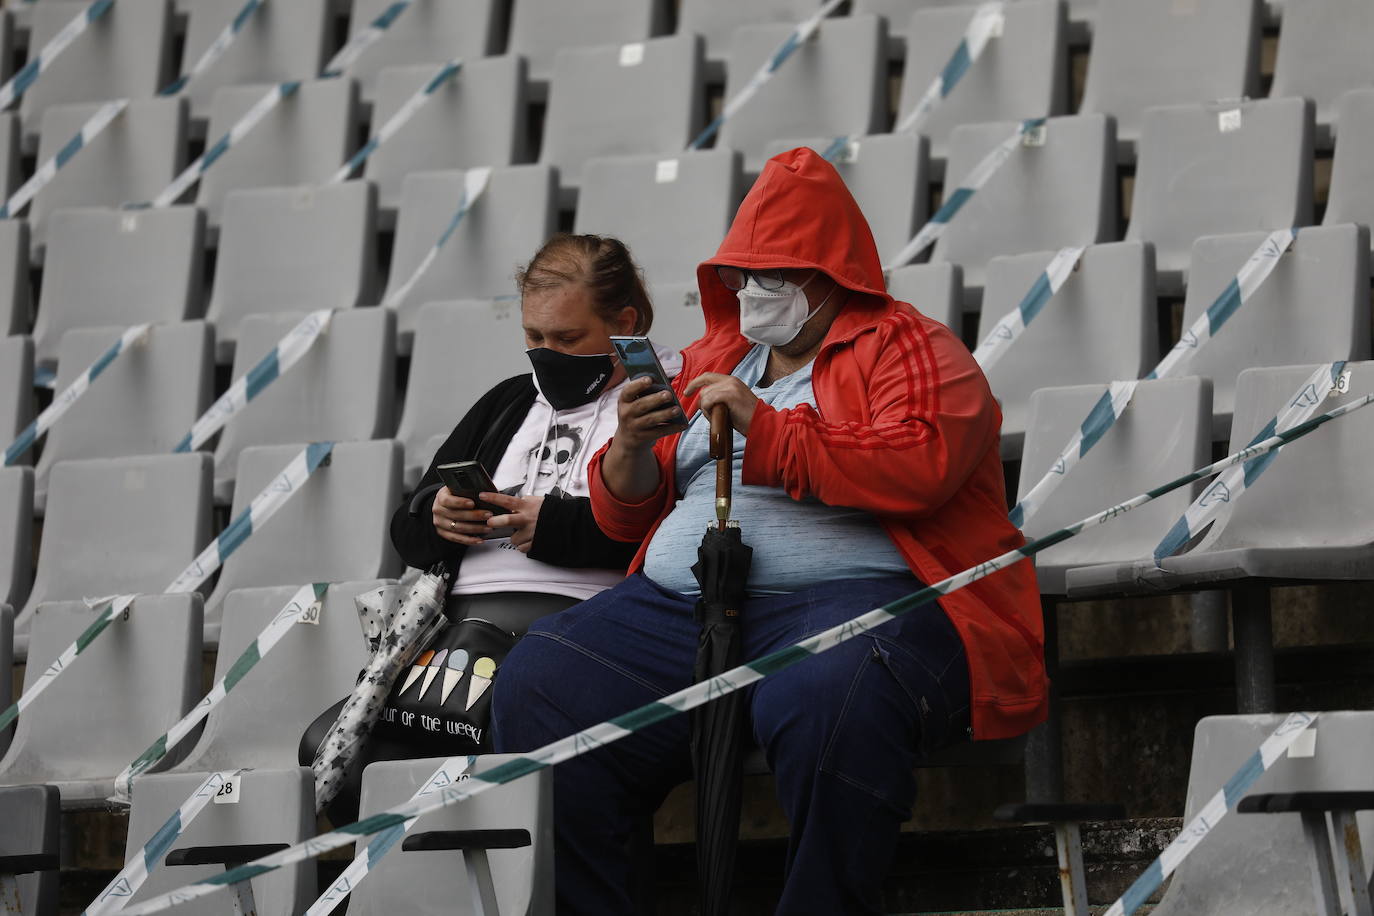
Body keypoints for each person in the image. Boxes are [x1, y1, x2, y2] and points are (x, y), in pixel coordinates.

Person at [493, 148, 1048, 915]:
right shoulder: (711, 358)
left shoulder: (911, 346)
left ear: (833, 273)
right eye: (742, 275)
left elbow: (922, 463)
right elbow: (625, 514)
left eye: (776, 275)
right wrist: (625, 448)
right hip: (679, 611)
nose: (754, 292)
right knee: (541, 682)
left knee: (833, 693)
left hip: (861, 603)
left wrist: (770, 427)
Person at [304, 233, 680, 822]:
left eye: (568, 338)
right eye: (534, 337)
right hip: (456, 635)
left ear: (625, 321)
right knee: (330, 751)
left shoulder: (662, 398)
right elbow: (407, 530)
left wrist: (555, 527)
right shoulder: (509, 400)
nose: (546, 352)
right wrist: (439, 514)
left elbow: (669, 532)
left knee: (509, 754)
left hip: (575, 633)